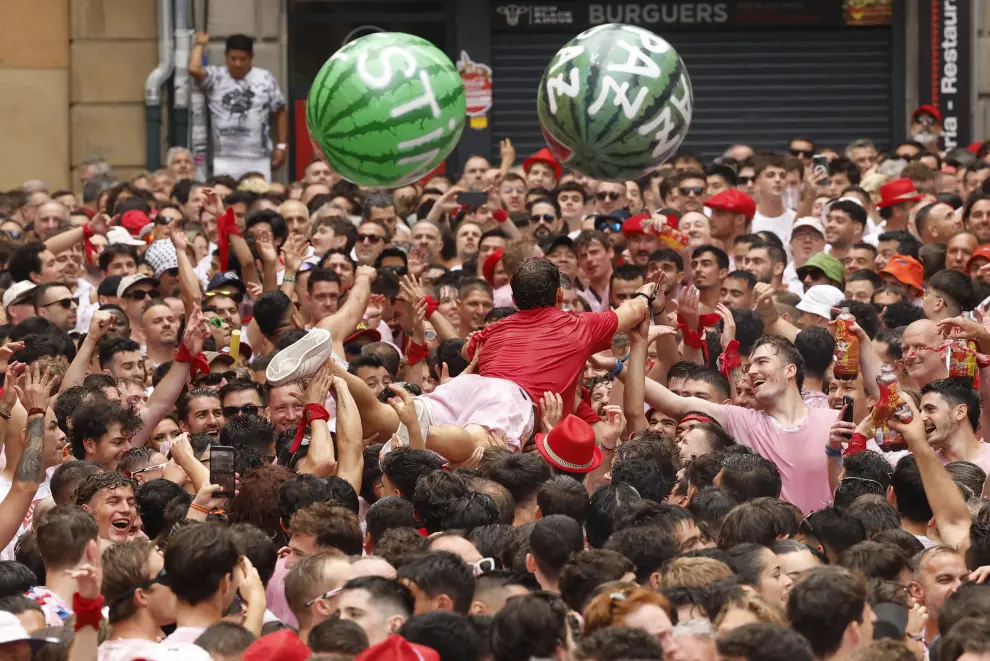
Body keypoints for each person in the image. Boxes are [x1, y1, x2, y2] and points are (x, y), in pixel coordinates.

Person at [189, 33, 288, 180]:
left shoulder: (265, 78)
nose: (237, 64)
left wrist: (282, 146)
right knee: (225, 193)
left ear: (251, 57)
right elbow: (194, 69)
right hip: (224, 157)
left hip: (258, 157)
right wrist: (200, 44)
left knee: (258, 193)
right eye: (233, 58)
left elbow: (280, 111)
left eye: (242, 59)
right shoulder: (217, 77)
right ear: (226, 56)